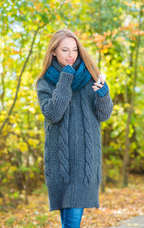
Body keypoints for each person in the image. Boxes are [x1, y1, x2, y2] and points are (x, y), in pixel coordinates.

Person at [36, 28, 113, 228]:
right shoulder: (44, 82)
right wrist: (65, 79)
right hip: (59, 163)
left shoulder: (90, 76)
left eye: (74, 50)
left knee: (71, 225)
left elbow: (103, 115)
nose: (71, 55)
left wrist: (104, 95)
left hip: (83, 162)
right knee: (67, 224)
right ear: (53, 51)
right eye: (65, 50)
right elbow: (53, 113)